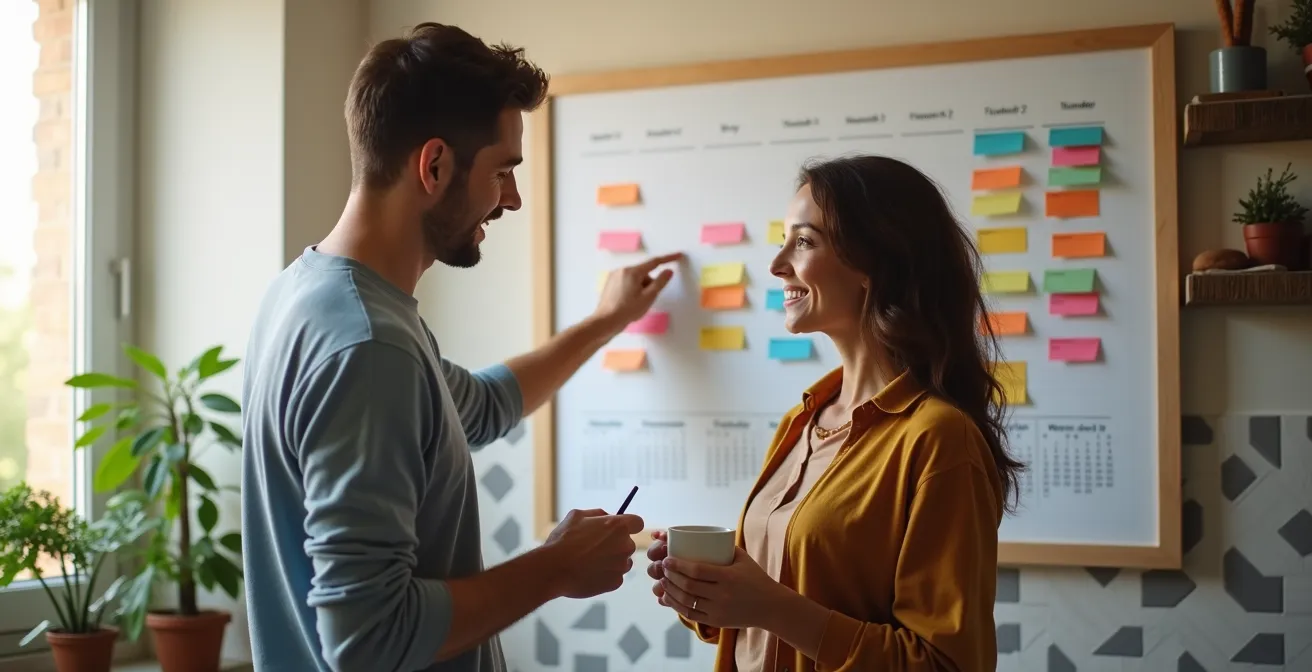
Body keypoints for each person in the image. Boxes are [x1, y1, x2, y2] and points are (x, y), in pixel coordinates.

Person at [241, 23, 682, 672]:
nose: (512, 198)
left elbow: (480, 407)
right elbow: (368, 640)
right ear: (436, 165)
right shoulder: (370, 347)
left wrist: (605, 321)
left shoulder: (308, 296)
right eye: (503, 171)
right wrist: (557, 568)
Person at [646, 155, 1027, 671]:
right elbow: (778, 610)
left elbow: (945, 663)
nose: (778, 264)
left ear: (873, 262)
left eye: (803, 242)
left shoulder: (938, 440)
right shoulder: (803, 420)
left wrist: (771, 607)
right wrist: (707, 591)